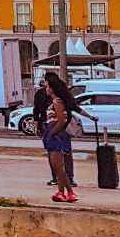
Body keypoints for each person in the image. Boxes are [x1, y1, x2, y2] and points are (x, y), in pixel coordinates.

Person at [41, 70, 81, 203]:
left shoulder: (57, 102)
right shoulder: (56, 101)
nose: (45, 89)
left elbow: (62, 120)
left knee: (58, 167)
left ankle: (69, 192)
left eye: (47, 86)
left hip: (55, 135)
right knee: (58, 167)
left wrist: (52, 133)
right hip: (54, 134)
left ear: (52, 89)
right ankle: (62, 192)